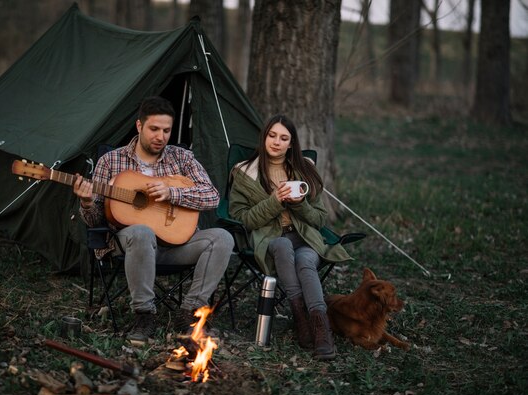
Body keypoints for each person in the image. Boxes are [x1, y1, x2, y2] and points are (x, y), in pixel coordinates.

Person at [73, 96, 233, 345]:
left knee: (222, 238)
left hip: (177, 245)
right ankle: (144, 314)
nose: (161, 136)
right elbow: (95, 221)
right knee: (142, 232)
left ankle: (189, 312)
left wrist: (173, 193)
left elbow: (212, 196)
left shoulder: (181, 159)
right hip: (130, 244)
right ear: (139, 126)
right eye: (154, 129)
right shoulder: (111, 161)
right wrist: (85, 202)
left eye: (166, 131)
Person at [228, 114, 351, 360]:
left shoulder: (304, 170)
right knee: (283, 245)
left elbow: (319, 219)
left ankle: (319, 328)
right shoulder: (244, 173)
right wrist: (274, 202)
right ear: (264, 138)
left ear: (291, 143)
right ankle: (300, 316)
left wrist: (299, 204)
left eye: (284, 138)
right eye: (272, 135)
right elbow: (245, 220)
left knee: (305, 261)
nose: (276, 142)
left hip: (304, 237)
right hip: (269, 239)